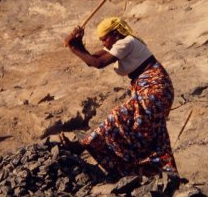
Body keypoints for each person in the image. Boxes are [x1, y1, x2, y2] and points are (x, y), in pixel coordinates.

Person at [61, 17, 178, 179]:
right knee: (149, 133)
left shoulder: (126, 42)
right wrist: (78, 43)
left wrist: (74, 47)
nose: (104, 44)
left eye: (104, 39)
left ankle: (83, 145)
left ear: (115, 34)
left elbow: (98, 63)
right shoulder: (121, 44)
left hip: (154, 88)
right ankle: (161, 175)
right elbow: (91, 59)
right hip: (155, 89)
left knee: (118, 116)